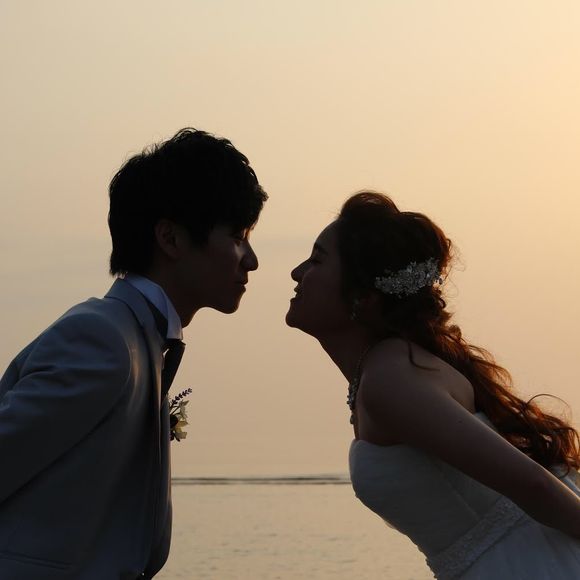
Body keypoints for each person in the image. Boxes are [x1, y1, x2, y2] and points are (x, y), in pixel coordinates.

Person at [0, 128, 267, 579]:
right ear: (171, 239)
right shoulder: (101, 339)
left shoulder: (136, 339)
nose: (252, 259)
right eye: (238, 236)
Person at [286, 191, 580, 579]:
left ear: (363, 296)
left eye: (317, 259)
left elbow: (533, 485)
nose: (297, 272)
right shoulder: (387, 369)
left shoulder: (390, 376)